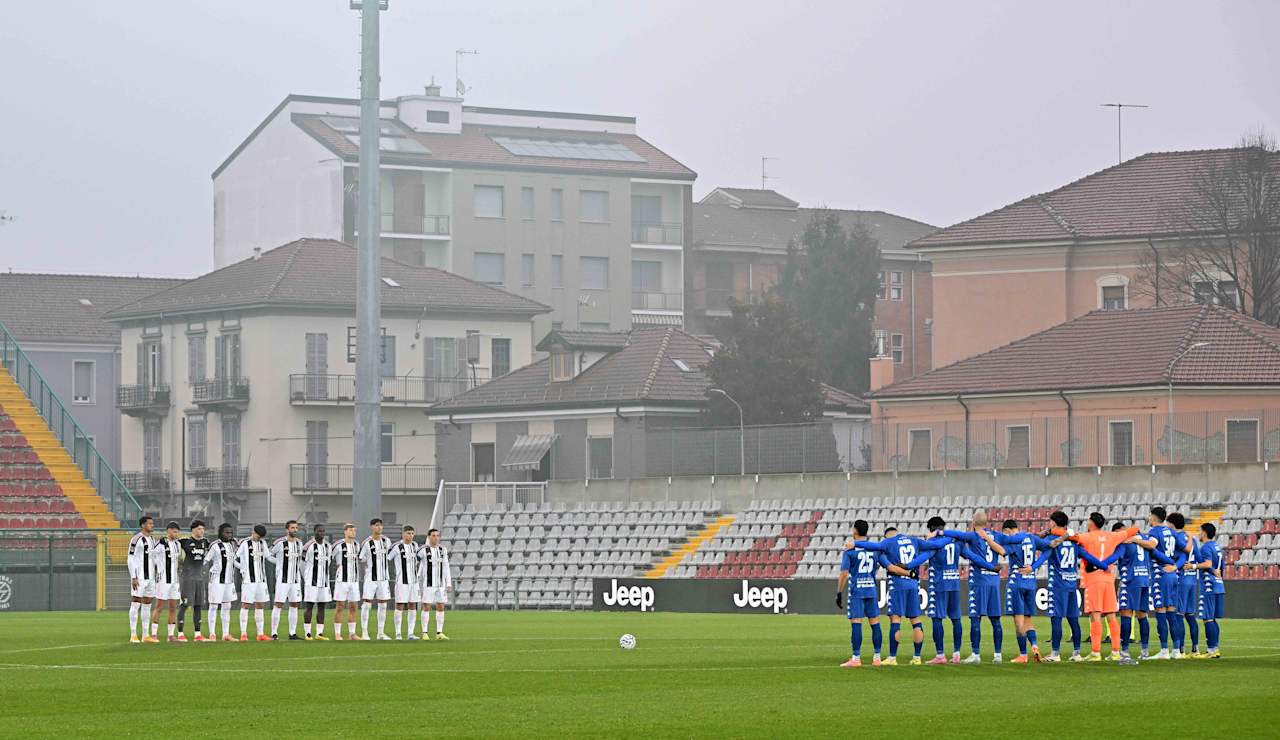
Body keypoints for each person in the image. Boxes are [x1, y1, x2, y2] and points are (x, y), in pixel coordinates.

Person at [852, 526, 954, 665]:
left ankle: (892, 657)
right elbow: (936, 545)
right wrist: (951, 538)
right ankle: (917, 657)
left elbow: (873, 546)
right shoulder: (914, 540)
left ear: (887, 535)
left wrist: (855, 544)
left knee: (895, 619)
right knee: (916, 620)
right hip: (913, 583)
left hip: (898, 584)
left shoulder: (888, 542)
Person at [1050, 512, 1138, 663]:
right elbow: (1134, 529)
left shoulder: (1086, 537)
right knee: (1111, 615)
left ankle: (1096, 652)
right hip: (1109, 579)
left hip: (1093, 579)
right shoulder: (1112, 536)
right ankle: (1116, 651)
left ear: (1091, 523)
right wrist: (1132, 536)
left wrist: (1051, 531)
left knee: (1095, 615)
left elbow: (1067, 535)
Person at [921, 516, 997, 664]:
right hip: (954, 584)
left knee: (937, 618)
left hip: (939, 585)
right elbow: (973, 557)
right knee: (956, 619)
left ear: (931, 528)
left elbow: (922, 556)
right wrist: (990, 567)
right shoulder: (956, 542)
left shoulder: (933, 542)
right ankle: (956, 654)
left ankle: (940, 655)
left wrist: (908, 567)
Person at [939, 513, 1007, 664]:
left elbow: (957, 534)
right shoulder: (996, 535)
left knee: (975, 618)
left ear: (974, 522)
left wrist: (939, 532)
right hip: (994, 582)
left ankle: (976, 654)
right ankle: (998, 655)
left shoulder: (974, 535)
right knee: (996, 619)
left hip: (979, 581)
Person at [994, 519, 1059, 663]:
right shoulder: (1031, 537)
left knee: (1019, 622)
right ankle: (1034, 645)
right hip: (1030, 582)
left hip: (1016, 582)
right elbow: (1049, 548)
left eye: (1006, 533)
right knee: (1028, 619)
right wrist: (1034, 567)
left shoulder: (1014, 541)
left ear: (1008, 530)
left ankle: (1023, 655)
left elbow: (1002, 551)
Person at [1033, 511, 1088, 662]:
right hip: (1071, 584)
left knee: (1056, 619)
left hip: (1057, 585)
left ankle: (1055, 654)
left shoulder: (1052, 539)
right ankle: (1077, 653)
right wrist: (1103, 565)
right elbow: (1087, 555)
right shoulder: (1074, 541)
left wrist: (1032, 568)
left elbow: (1043, 553)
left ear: (1054, 522)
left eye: (1050, 521)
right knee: (1073, 620)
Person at [836, 520, 887, 667]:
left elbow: (844, 574)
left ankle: (856, 658)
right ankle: (877, 658)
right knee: (875, 623)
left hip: (857, 590)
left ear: (855, 531)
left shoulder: (850, 550)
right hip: (871, 589)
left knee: (856, 623)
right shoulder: (874, 550)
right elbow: (886, 564)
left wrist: (839, 592)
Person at [1144, 506, 1186, 660]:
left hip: (1160, 575)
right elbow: (1185, 552)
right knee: (1172, 614)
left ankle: (1164, 651)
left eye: (1149, 515)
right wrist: (1175, 566)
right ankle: (1176, 651)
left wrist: (1136, 540)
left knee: (1160, 612)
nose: (1148, 518)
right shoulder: (1172, 532)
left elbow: (1151, 545)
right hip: (1173, 575)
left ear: (1154, 517)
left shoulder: (1154, 532)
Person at [1113, 522, 1159, 658]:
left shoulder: (1125, 542)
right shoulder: (1144, 540)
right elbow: (1156, 553)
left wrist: (1101, 564)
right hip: (1144, 580)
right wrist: (1172, 563)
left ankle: (1125, 651)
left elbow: (1115, 557)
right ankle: (1144, 651)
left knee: (1126, 613)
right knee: (1142, 615)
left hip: (1130, 581)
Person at [1168, 512, 1202, 658]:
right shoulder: (1191, 539)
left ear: (1172, 524)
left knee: (1178, 615)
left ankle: (1180, 649)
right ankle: (1195, 649)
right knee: (1190, 615)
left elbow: (1178, 556)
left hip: (1181, 580)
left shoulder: (1175, 538)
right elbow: (1199, 558)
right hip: (1193, 580)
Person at [267, 520, 304, 640]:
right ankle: (274, 633)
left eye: (296, 528)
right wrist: (278, 563)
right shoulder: (279, 543)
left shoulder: (299, 544)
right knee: (278, 604)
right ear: (287, 530)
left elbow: (300, 561)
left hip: (295, 580)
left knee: (294, 605)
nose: (295, 530)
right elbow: (268, 555)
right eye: (292, 528)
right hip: (282, 580)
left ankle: (292, 633)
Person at [235, 524, 271, 641]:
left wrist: (280, 562)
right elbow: (233, 558)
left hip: (261, 580)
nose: (259, 538)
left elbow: (269, 557)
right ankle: (243, 634)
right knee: (246, 605)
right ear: (253, 532)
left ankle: (260, 634)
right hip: (248, 581)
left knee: (260, 605)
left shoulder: (263, 543)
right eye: (258, 536)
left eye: (261, 537)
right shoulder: (244, 543)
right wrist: (242, 568)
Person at [1195, 522, 1225, 658]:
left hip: (1209, 586)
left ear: (1204, 533)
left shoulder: (1206, 547)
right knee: (1212, 619)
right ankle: (1215, 649)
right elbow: (1221, 569)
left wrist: (1193, 566)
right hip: (1219, 585)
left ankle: (1211, 650)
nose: (1198, 533)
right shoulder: (1217, 547)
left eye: (1200, 531)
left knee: (1207, 619)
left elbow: (1207, 564)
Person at [176, 520, 210, 642]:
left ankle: (197, 634)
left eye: (203, 529)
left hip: (200, 578)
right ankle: (180, 634)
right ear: (193, 530)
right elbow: (170, 543)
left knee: (198, 605)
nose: (202, 531)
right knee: (185, 604)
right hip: (187, 578)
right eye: (199, 529)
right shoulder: (184, 541)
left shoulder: (205, 542)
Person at [204, 523, 238, 642]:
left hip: (229, 581)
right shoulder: (215, 545)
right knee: (214, 606)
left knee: (227, 606)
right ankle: (212, 634)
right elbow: (205, 560)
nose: (229, 535)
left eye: (230, 533)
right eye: (226, 532)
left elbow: (233, 561)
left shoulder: (232, 545)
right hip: (216, 580)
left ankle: (225, 634)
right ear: (220, 533)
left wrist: (243, 567)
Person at [418, 528, 453, 640]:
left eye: (438, 536)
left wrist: (449, 583)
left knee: (441, 606)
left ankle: (439, 633)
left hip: (441, 584)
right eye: (433, 535)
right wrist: (418, 577)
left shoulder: (443, 550)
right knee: (426, 606)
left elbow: (446, 566)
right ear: (429, 537)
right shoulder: (423, 550)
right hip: (428, 583)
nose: (436, 538)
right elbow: (417, 563)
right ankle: (424, 633)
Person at [151, 522, 184, 642]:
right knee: (159, 606)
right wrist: (159, 567)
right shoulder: (161, 543)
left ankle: (170, 635)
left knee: (173, 607)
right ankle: (153, 634)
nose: (176, 534)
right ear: (169, 531)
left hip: (175, 580)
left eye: (177, 532)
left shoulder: (177, 544)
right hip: (163, 579)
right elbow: (151, 556)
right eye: (174, 531)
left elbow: (177, 559)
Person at [360, 518, 393, 640]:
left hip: (383, 578)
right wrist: (367, 568)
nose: (379, 527)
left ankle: (381, 633)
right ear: (372, 527)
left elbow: (389, 556)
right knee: (367, 604)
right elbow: (360, 558)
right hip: (371, 578)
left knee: (383, 605)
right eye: (377, 525)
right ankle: (364, 632)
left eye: (381, 525)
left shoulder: (386, 541)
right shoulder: (367, 542)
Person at [127, 516, 158, 643]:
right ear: (143, 525)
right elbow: (130, 558)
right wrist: (133, 577)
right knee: (136, 603)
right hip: (139, 577)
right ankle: (133, 634)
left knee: (147, 605)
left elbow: (155, 558)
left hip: (151, 578)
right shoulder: (136, 539)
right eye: (149, 523)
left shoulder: (153, 540)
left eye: (152, 523)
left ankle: (146, 635)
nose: (152, 525)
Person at [388, 525, 420, 640]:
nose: (410, 536)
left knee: (413, 605)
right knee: (400, 605)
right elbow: (387, 559)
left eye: (412, 533)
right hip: (402, 581)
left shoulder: (415, 546)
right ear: (403, 534)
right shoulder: (396, 546)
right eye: (408, 533)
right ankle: (398, 633)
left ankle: (410, 633)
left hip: (414, 581)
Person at [331, 523, 362, 640]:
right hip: (342, 580)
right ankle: (337, 634)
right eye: (350, 530)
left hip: (354, 580)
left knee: (353, 606)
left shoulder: (357, 545)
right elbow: (329, 557)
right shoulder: (338, 545)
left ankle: (352, 634)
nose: (353, 532)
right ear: (345, 531)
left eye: (354, 530)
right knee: (340, 606)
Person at [302, 524, 332, 640]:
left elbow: (328, 562)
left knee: (321, 607)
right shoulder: (308, 546)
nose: (322, 533)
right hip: (311, 581)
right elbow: (302, 563)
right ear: (314, 532)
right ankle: (307, 633)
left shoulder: (328, 546)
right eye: (319, 531)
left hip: (324, 582)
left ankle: (319, 633)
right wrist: (306, 577)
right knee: (309, 606)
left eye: (323, 531)